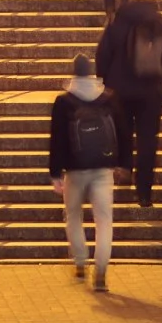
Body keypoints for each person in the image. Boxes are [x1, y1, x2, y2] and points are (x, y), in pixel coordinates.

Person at [97, 0, 162, 210]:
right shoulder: (159, 26)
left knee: (122, 131)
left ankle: (125, 168)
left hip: (120, 92)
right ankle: (144, 193)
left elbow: (102, 55)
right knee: (148, 141)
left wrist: (106, 79)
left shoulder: (116, 25)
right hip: (151, 93)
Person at [50, 56, 121, 291]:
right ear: (91, 72)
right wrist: (121, 162)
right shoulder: (107, 98)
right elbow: (119, 131)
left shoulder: (63, 101)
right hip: (102, 168)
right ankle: (100, 273)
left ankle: (81, 262)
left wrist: (55, 172)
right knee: (104, 221)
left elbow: (57, 139)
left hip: (75, 168)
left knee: (72, 215)